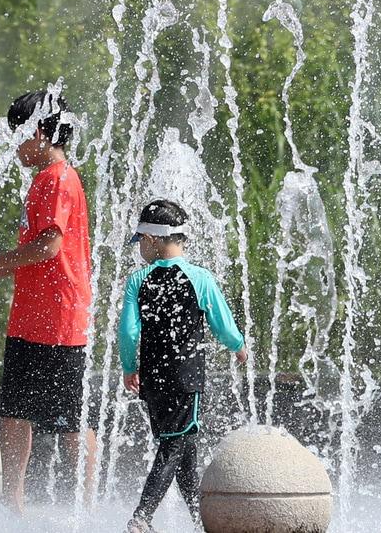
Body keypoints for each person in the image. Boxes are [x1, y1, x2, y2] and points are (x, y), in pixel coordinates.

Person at [0, 89, 97, 513]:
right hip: (32, 317)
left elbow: (50, 244)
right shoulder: (42, 179)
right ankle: (11, 507)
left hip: (60, 317)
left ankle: (87, 511)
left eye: (15, 134)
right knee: (15, 414)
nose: (11, 145)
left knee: (71, 421)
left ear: (38, 132)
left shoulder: (58, 179)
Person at [119, 199, 247, 533]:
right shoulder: (200, 278)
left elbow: (130, 332)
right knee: (173, 446)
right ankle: (142, 517)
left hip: (152, 380)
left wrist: (129, 366)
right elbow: (222, 323)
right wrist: (238, 346)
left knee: (184, 448)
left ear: (151, 239)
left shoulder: (137, 282)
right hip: (186, 379)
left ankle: (199, 521)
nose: (140, 250)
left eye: (141, 243)